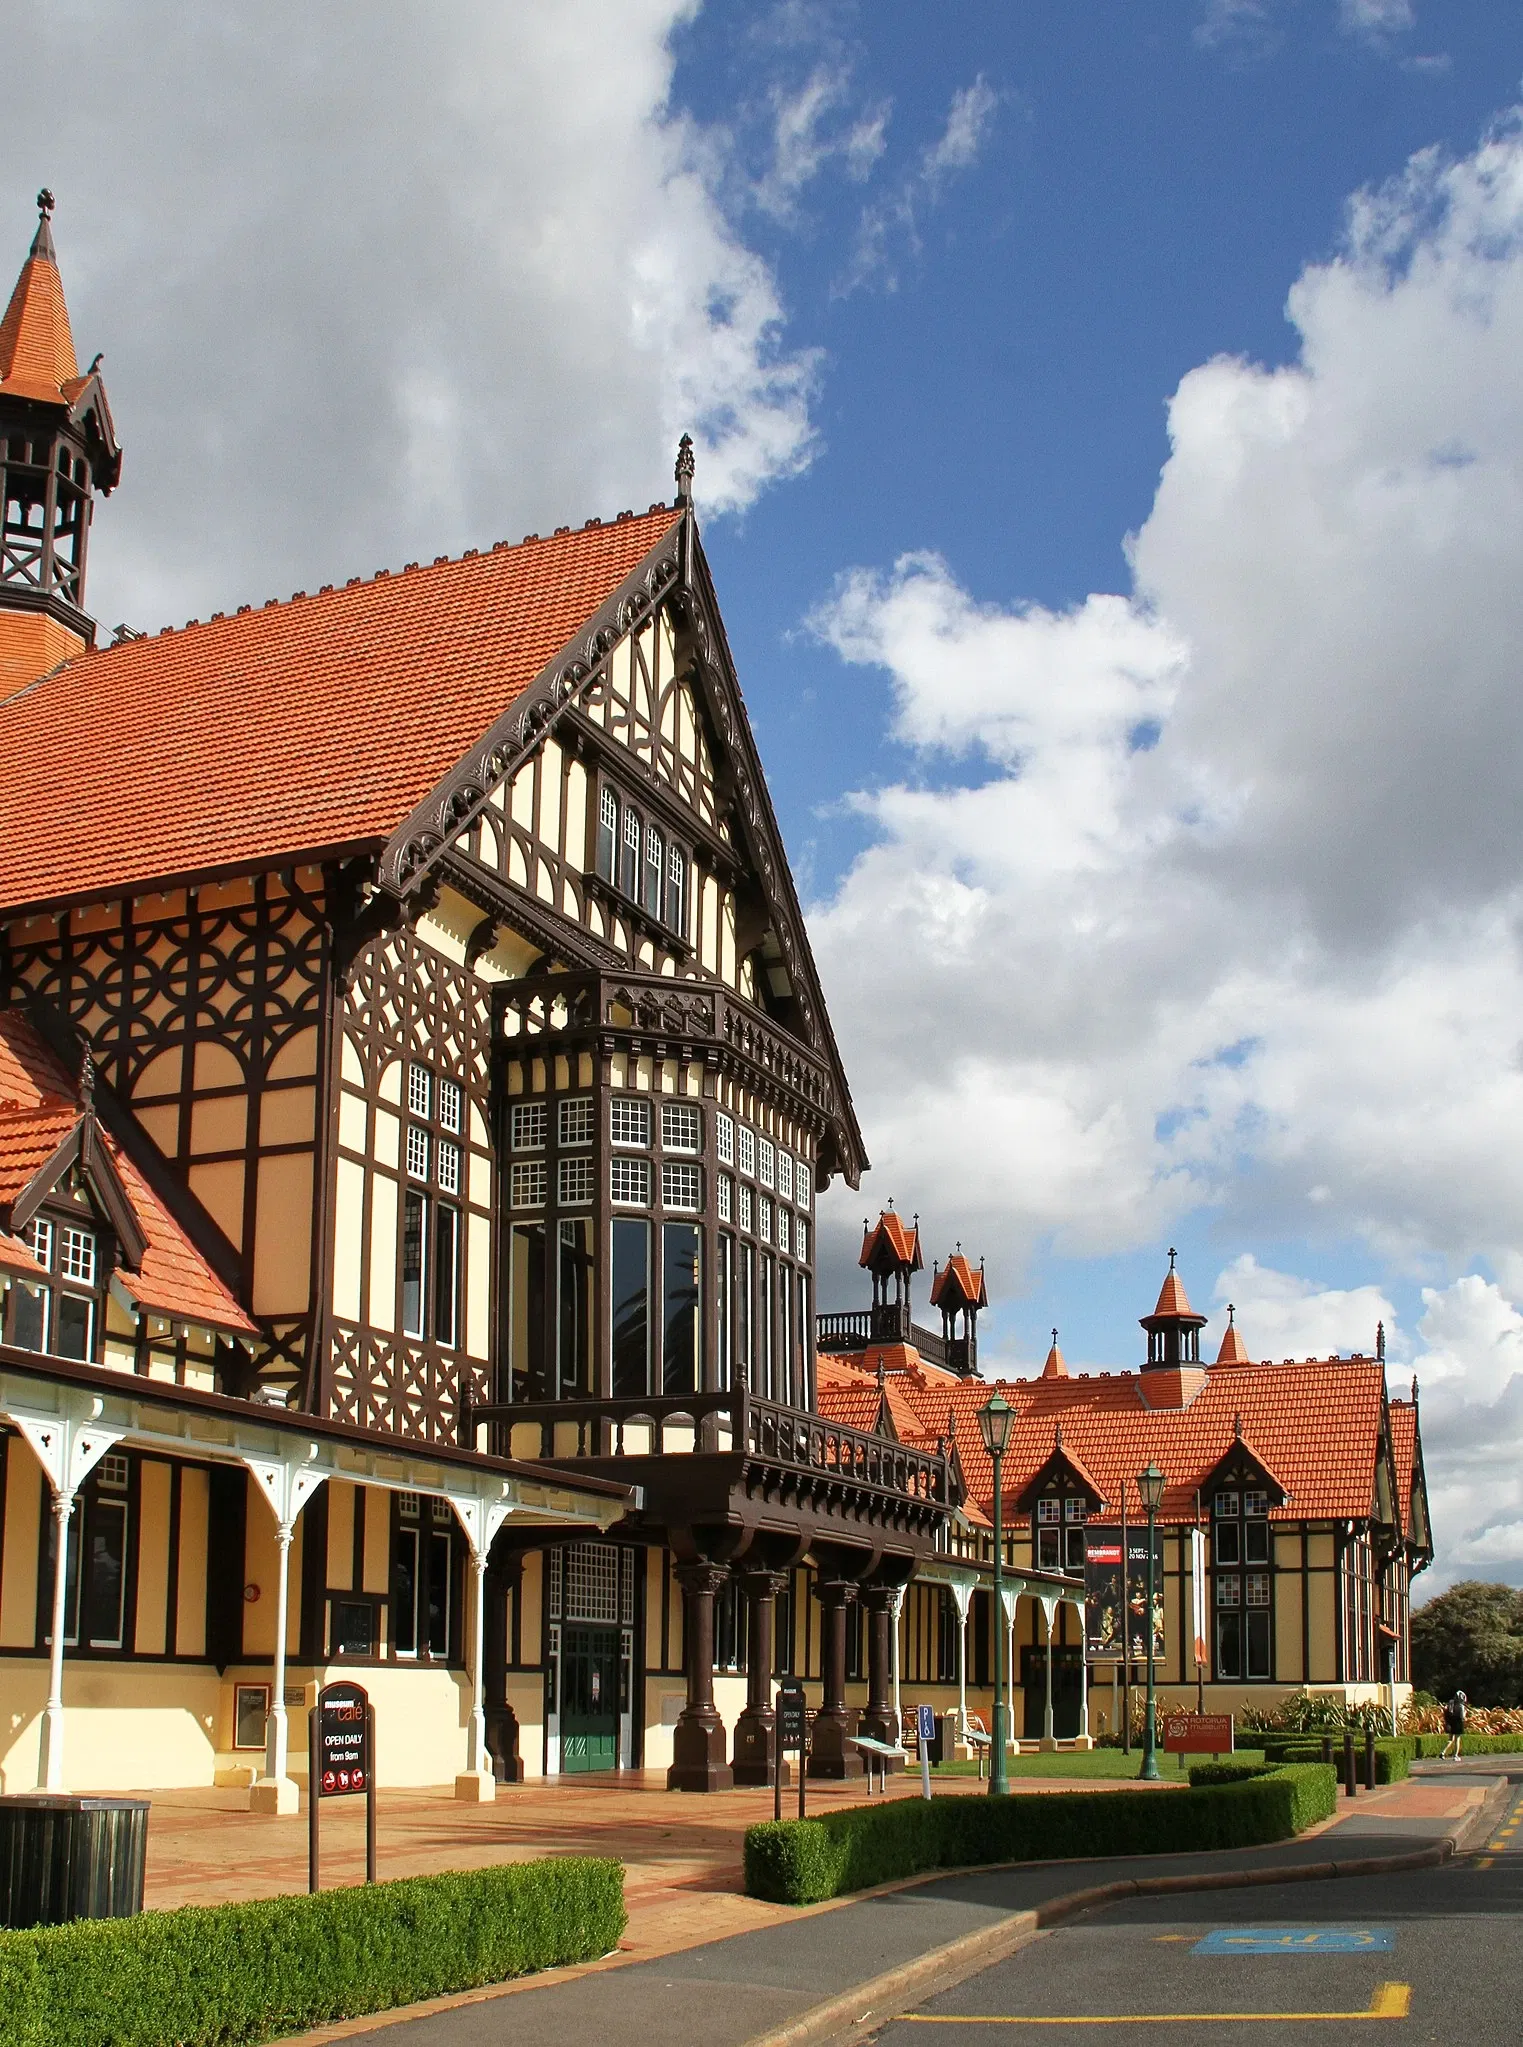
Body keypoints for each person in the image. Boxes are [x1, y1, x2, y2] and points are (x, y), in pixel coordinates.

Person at [1441, 1689, 1468, 1759]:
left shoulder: (1451, 1703)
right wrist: (1465, 1713)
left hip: (1451, 1722)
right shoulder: (1461, 1706)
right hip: (1458, 1723)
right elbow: (1462, 1717)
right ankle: (1455, 1755)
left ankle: (1443, 1752)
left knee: (1450, 1739)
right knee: (1457, 1740)